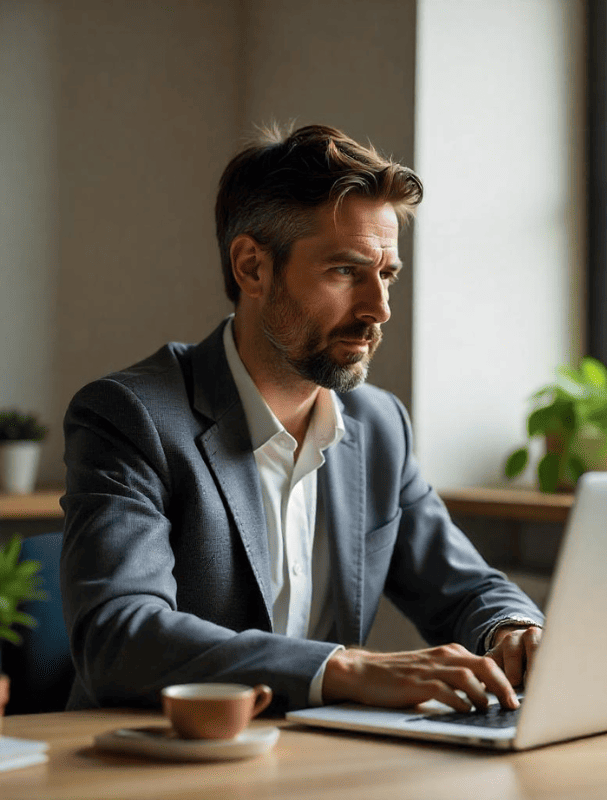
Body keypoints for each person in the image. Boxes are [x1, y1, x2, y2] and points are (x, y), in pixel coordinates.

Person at [60, 124, 544, 714]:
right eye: (345, 271)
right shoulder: (131, 416)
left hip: (317, 764)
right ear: (252, 268)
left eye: (386, 273)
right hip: (160, 765)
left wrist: (514, 630)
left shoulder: (378, 425)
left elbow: (465, 586)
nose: (379, 309)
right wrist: (343, 667)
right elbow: (119, 637)